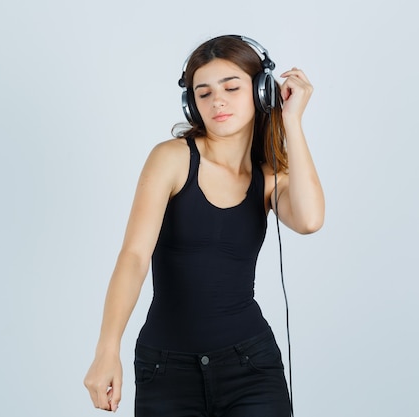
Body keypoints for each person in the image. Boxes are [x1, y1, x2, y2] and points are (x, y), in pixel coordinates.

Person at [83, 34, 324, 417]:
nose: (218, 102)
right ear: (191, 102)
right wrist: (107, 349)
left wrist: (290, 120)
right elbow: (133, 256)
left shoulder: (269, 177)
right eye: (204, 93)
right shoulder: (172, 159)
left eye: (231, 87)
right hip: (165, 369)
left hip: (251, 367)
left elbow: (310, 221)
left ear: (262, 91)